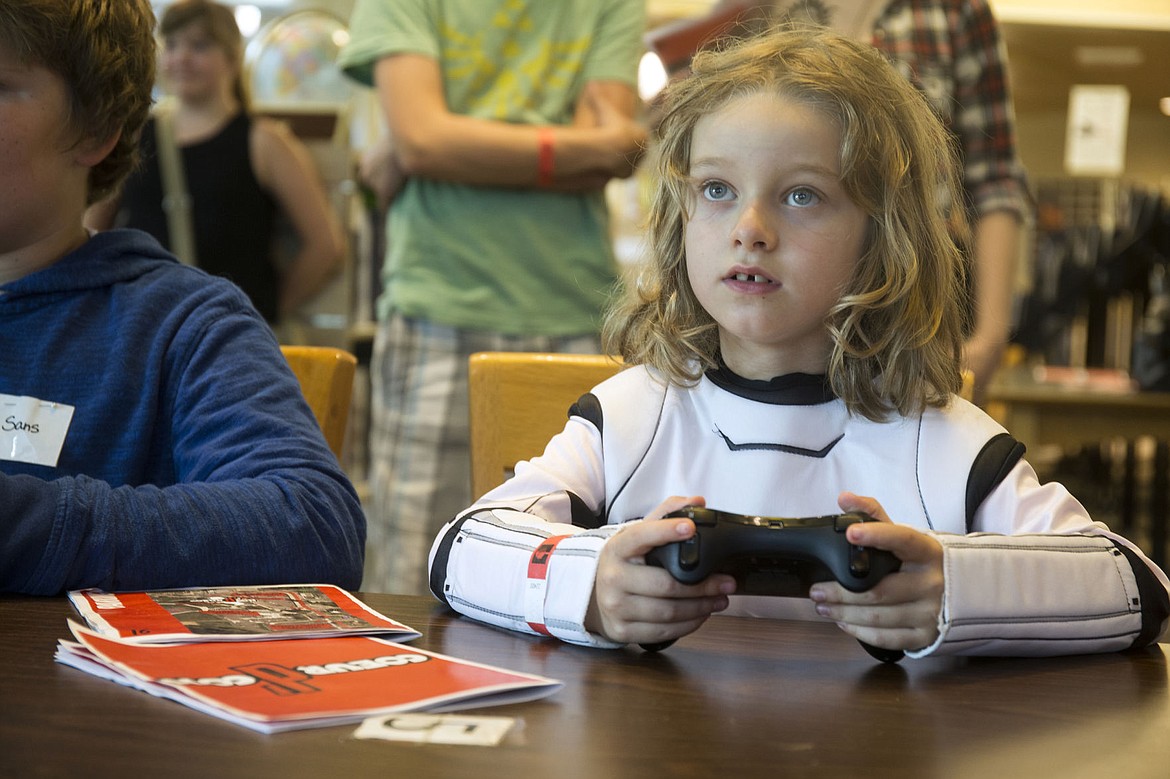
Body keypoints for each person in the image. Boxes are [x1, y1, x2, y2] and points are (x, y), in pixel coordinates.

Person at [426, 27, 1170, 657]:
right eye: (717, 189)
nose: (750, 226)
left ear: (884, 238)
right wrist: (590, 586)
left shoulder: (944, 443)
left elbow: (1132, 583)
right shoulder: (629, 419)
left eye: (801, 194)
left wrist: (955, 590)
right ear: (681, 217)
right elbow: (459, 549)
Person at [0, 0, 365, 595]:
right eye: (177, 46)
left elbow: (314, 525)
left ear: (94, 128)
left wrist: (272, 308)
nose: (185, 60)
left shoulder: (186, 324)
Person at [337, 0, 648, 595]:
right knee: (414, 583)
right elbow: (425, 140)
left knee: (583, 578)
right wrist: (424, 144)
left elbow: (613, 151)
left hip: (576, 308)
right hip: (442, 304)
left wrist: (437, 144)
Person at [740, 0, 1029, 403]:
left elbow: (994, 179)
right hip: (787, 297)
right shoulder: (766, 9)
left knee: (913, 454)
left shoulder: (954, 10)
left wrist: (990, 336)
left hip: (914, 306)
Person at [86, 0, 344, 327]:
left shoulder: (264, 141)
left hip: (228, 340)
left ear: (232, 57)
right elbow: (92, 231)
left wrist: (263, 313)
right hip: (142, 332)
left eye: (199, 45)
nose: (181, 58)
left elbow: (325, 245)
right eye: (173, 44)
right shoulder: (135, 137)